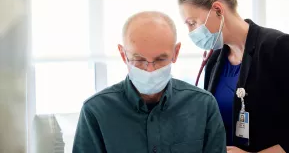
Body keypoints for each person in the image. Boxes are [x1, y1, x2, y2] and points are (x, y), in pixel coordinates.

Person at [178, 0, 289, 153]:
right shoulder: (215, 59)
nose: (191, 32)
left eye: (192, 23)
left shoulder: (277, 47)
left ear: (218, 10)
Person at [72, 11, 226, 153]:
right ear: (123, 54)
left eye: (160, 59)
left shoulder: (203, 105)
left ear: (175, 52)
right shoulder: (96, 111)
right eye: (139, 59)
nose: (150, 70)